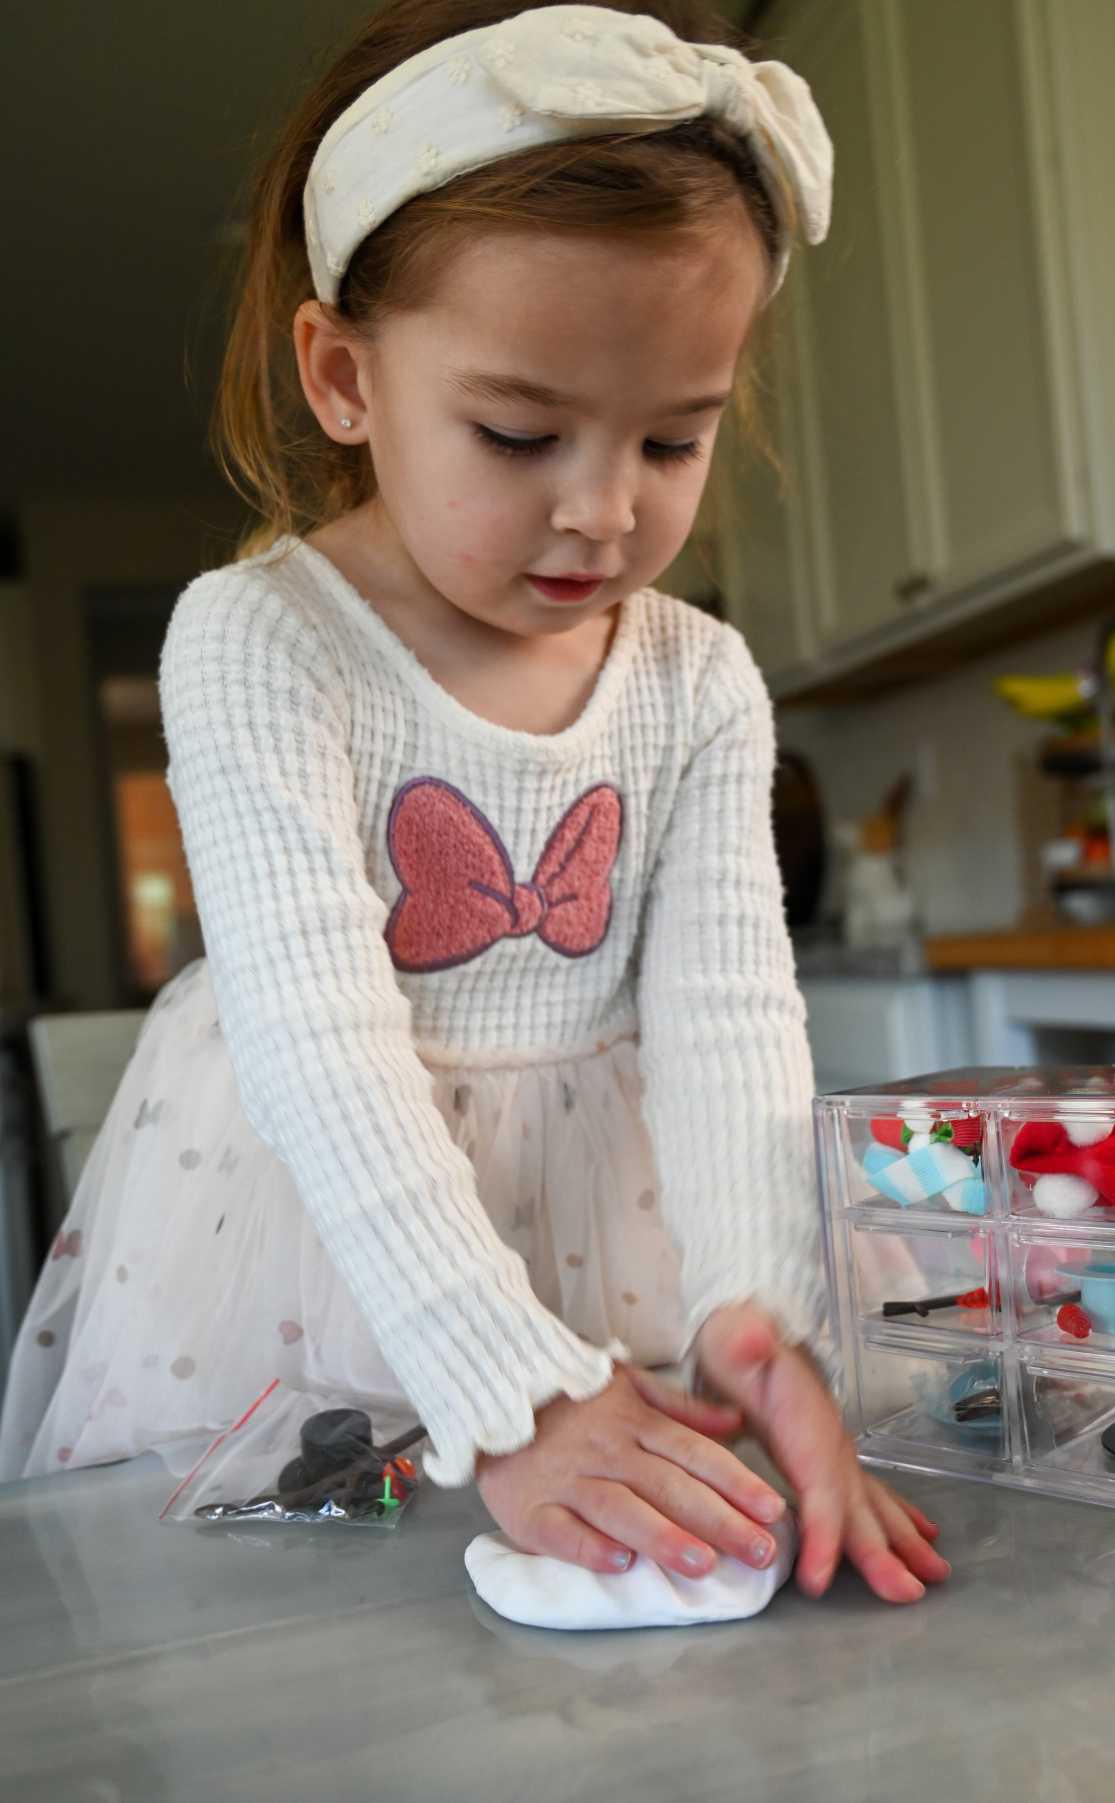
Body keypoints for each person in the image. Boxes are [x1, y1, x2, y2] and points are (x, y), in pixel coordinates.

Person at [0, 0, 948, 1606]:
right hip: (333, 1253)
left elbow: (728, 1025)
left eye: (673, 437)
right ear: (346, 374)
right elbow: (319, 1040)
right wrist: (508, 1382)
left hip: (621, 1221)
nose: (602, 507)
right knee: (313, 1655)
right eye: (519, 432)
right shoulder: (261, 642)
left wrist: (758, 1314)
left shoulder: (697, 679)